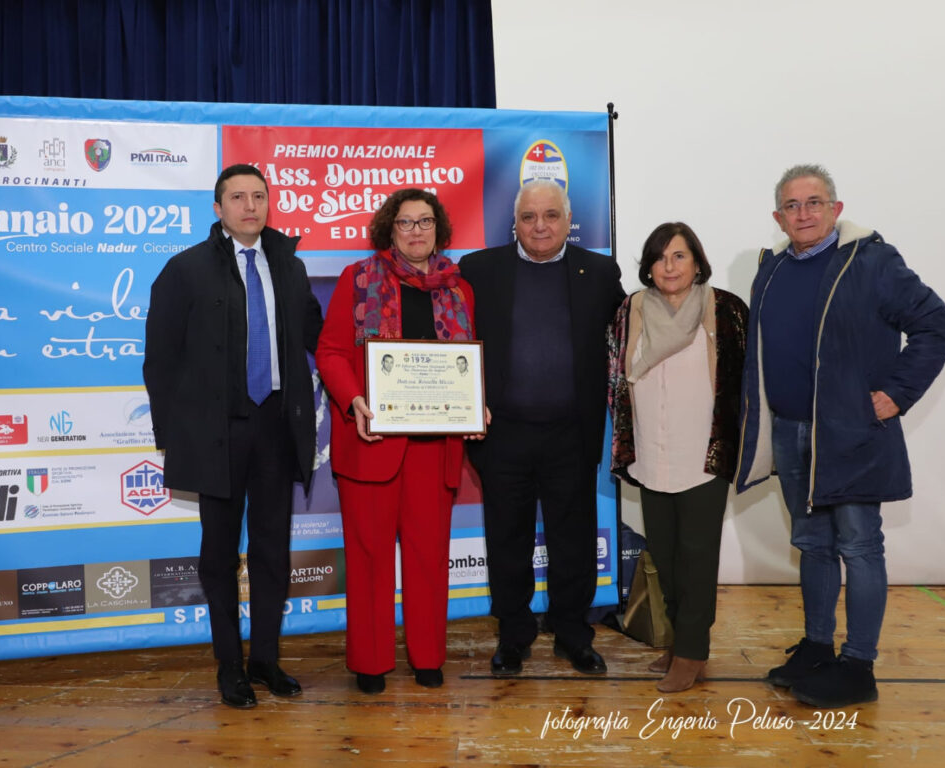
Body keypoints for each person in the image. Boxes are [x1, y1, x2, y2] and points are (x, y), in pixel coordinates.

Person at [735, 164, 945, 708]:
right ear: (778, 217)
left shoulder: (872, 261)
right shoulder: (771, 269)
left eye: (814, 202)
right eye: (792, 205)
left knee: (858, 546)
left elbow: (936, 324)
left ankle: (858, 666)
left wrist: (897, 392)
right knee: (812, 544)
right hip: (790, 430)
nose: (803, 213)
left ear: (835, 209)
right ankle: (817, 648)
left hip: (850, 434)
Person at [143, 163, 323, 709]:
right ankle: (230, 665)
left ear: (269, 204)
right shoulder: (184, 270)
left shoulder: (289, 265)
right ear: (218, 208)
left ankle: (265, 659)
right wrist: (174, 434)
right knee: (219, 555)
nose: (250, 206)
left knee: (272, 551)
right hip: (215, 431)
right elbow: (161, 360)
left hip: (276, 427)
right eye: (238, 197)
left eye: (259, 196)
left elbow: (318, 335)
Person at [460, 179, 625, 676]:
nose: (539, 226)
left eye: (551, 216)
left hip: (571, 434)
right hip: (502, 434)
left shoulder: (600, 272)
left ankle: (573, 634)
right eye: (529, 217)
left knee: (573, 541)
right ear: (514, 222)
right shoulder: (478, 269)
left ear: (568, 220)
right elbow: (451, 339)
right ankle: (514, 635)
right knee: (506, 540)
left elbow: (628, 339)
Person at [315, 188, 475, 694]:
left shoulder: (459, 289)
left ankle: (428, 657)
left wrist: (477, 403)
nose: (415, 231)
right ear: (390, 230)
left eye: (425, 221)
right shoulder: (358, 279)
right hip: (371, 442)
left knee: (430, 556)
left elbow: (467, 364)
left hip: (435, 447)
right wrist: (354, 399)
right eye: (405, 222)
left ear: (439, 229)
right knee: (368, 558)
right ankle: (370, 662)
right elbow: (330, 352)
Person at [608, 222, 747, 692]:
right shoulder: (631, 310)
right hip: (651, 455)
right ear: (648, 266)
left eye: (679, 256)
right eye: (660, 257)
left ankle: (692, 653)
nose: (669, 266)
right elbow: (616, 377)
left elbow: (745, 382)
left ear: (697, 262)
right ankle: (677, 643)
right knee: (665, 559)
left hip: (702, 457)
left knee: (697, 559)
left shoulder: (724, 308)